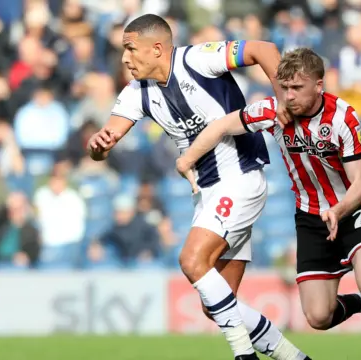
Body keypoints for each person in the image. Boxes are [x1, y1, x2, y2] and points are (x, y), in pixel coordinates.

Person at [88, 14, 310, 360]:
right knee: (219, 305)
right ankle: (296, 358)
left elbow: (263, 49)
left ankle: (243, 355)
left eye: (130, 49)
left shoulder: (197, 59)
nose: (124, 58)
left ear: (157, 49)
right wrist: (99, 147)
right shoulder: (136, 93)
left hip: (239, 180)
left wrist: (284, 99)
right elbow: (104, 143)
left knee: (191, 260)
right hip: (209, 193)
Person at [176, 47, 361, 360]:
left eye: (297, 88)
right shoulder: (273, 111)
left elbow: (360, 182)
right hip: (311, 219)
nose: (290, 95)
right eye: (284, 87)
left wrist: (338, 211)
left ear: (318, 85)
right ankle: (360, 305)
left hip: (353, 209)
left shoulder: (342, 117)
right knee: (318, 317)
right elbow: (220, 126)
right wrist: (187, 159)